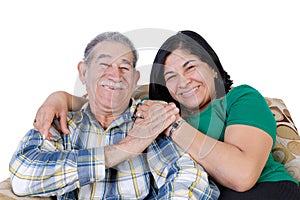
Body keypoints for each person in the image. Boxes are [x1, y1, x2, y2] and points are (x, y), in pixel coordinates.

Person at [32, 30, 300, 199]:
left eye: (190, 67)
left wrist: (173, 124)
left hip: (264, 191)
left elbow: (242, 177)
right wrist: (60, 97)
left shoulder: (239, 98)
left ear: (213, 69)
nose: (183, 82)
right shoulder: (156, 106)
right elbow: (111, 94)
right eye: (171, 76)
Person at [9, 32, 220, 199]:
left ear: (135, 79)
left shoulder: (152, 119)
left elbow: (189, 178)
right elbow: (22, 176)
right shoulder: (63, 124)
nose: (115, 75)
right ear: (83, 72)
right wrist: (125, 148)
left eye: (124, 67)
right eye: (104, 64)